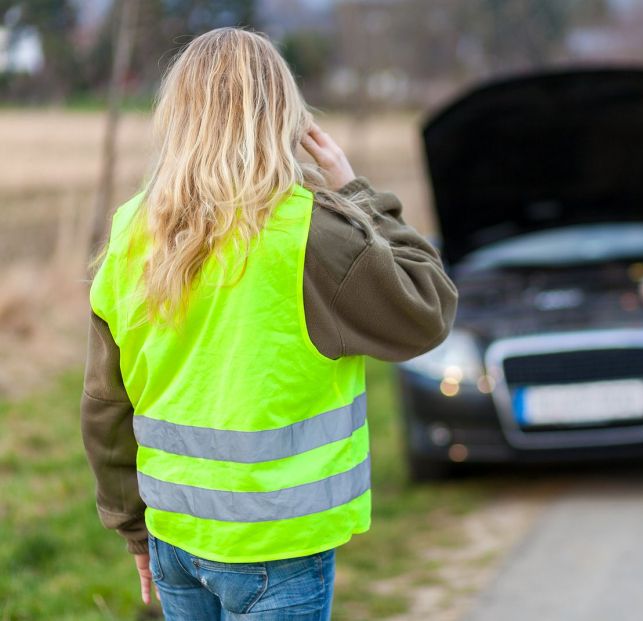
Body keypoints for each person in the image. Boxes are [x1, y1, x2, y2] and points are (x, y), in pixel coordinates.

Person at [80, 27, 457, 620]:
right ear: (282, 114)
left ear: (177, 117)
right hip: (277, 548)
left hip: (174, 538)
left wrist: (133, 528)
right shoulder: (311, 233)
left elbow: (106, 403)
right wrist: (356, 191)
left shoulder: (131, 229)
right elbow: (427, 308)